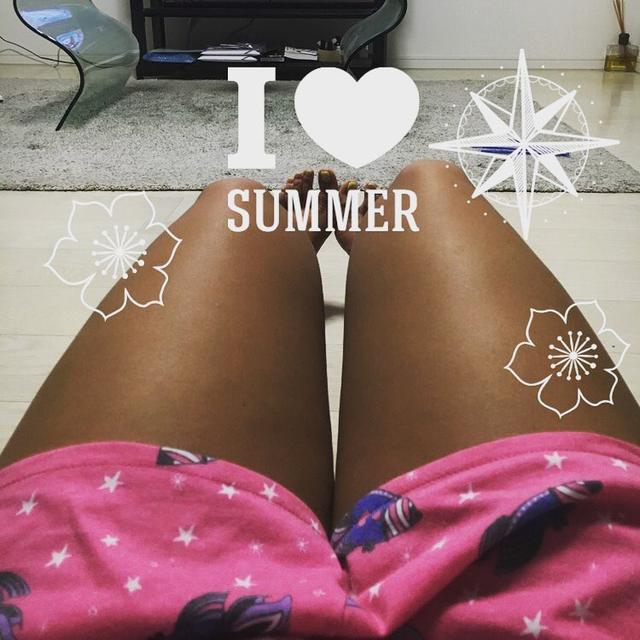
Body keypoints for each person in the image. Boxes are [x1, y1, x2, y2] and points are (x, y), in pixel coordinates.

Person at [1, 161, 639, 639]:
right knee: (430, 188)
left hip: (92, 581)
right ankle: (370, 237)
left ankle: (286, 238)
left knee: (236, 202)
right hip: (566, 584)